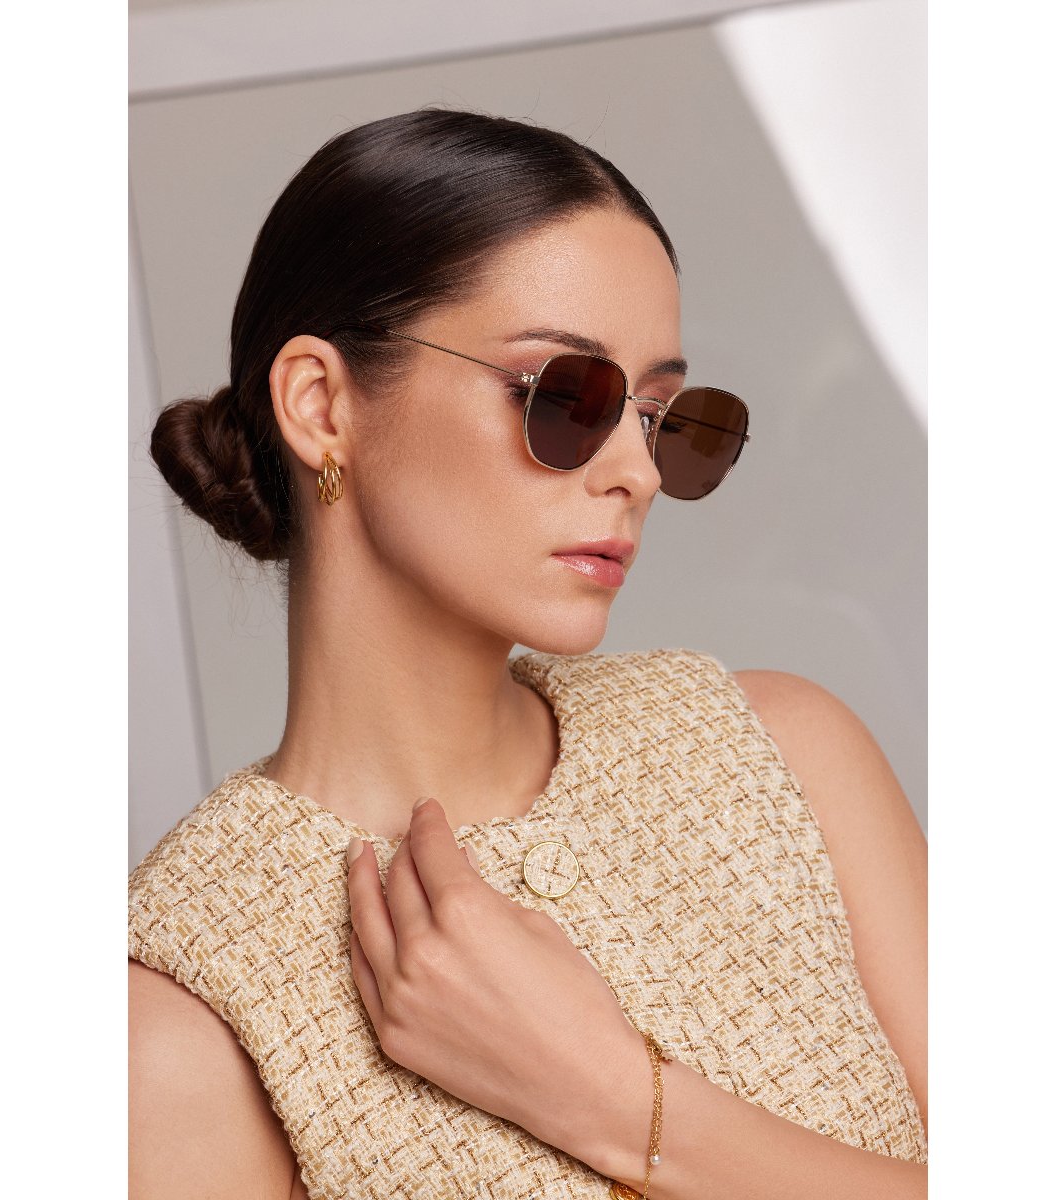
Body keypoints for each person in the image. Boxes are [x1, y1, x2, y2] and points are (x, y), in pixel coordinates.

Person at [128, 109, 927, 1200]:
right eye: (564, 396)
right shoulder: (183, 1020)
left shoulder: (785, 756)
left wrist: (612, 1099)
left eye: (660, 413)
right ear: (321, 406)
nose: (637, 471)